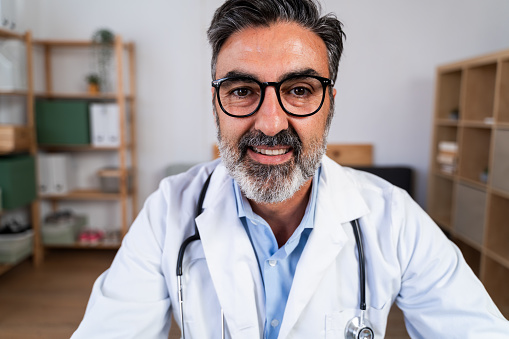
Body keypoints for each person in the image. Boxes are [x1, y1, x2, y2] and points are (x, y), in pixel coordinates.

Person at [72, 0, 509, 338]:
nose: (270, 122)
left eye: (299, 90)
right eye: (242, 90)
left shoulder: (394, 219)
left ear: (329, 105)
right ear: (215, 104)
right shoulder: (168, 212)